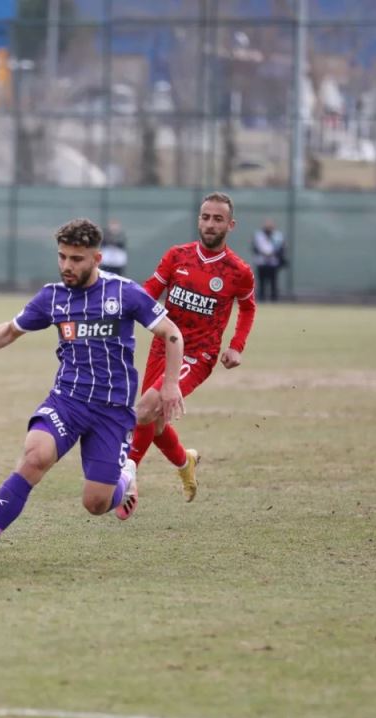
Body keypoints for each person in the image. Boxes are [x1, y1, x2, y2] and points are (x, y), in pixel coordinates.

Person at [0, 218, 186, 563]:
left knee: (96, 503)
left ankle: (126, 475)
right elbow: (11, 329)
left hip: (111, 411)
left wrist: (170, 385)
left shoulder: (124, 293)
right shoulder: (53, 297)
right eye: (62, 257)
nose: (67, 265)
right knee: (35, 455)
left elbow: (172, 334)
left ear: (96, 258)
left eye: (76, 259)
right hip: (67, 401)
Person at [125, 192, 256, 508]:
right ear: (199, 219)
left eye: (218, 219)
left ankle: (126, 476)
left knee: (143, 410)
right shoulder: (177, 256)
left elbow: (248, 308)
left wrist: (236, 347)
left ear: (231, 224)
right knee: (154, 424)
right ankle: (186, 463)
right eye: (206, 217)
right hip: (162, 348)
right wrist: (122, 309)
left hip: (198, 356)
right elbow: (150, 292)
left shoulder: (239, 271)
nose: (210, 224)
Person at [251, 218, 287, 302]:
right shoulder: (258, 235)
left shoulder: (278, 235)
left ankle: (274, 299)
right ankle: (262, 298)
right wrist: (263, 253)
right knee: (262, 281)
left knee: (273, 281)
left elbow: (282, 248)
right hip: (261, 262)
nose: (268, 227)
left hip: (273, 262)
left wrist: (274, 254)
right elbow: (255, 247)